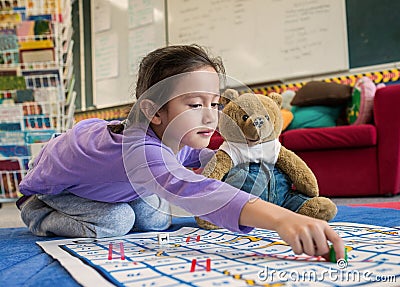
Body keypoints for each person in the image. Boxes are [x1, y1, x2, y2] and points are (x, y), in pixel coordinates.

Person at [18, 44, 344, 260]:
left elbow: (214, 165)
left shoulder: (175, 139)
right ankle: (38, 213)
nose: (210, 116)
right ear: (154, 111)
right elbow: (198, 190)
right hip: (58, 191)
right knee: (119, 220)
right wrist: (281, 219)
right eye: (194, 104)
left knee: (156, 217)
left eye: (214, 104)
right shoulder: (142, 150)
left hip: (110, 183)